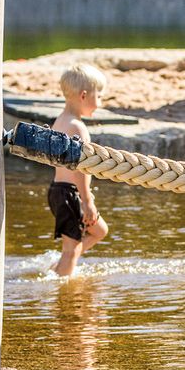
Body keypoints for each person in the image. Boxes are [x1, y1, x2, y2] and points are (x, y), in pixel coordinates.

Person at [48, 63, 110, 276]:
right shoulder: (77, 128)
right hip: (70, 193)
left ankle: (61, 265)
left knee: (100, 230)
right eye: (99, 96)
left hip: (58, 190)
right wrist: (87, 200)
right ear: (84, 95)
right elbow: (80, 169)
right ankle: (63, 287)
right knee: (71, 248)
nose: (99, 103)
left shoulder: (60, 121)